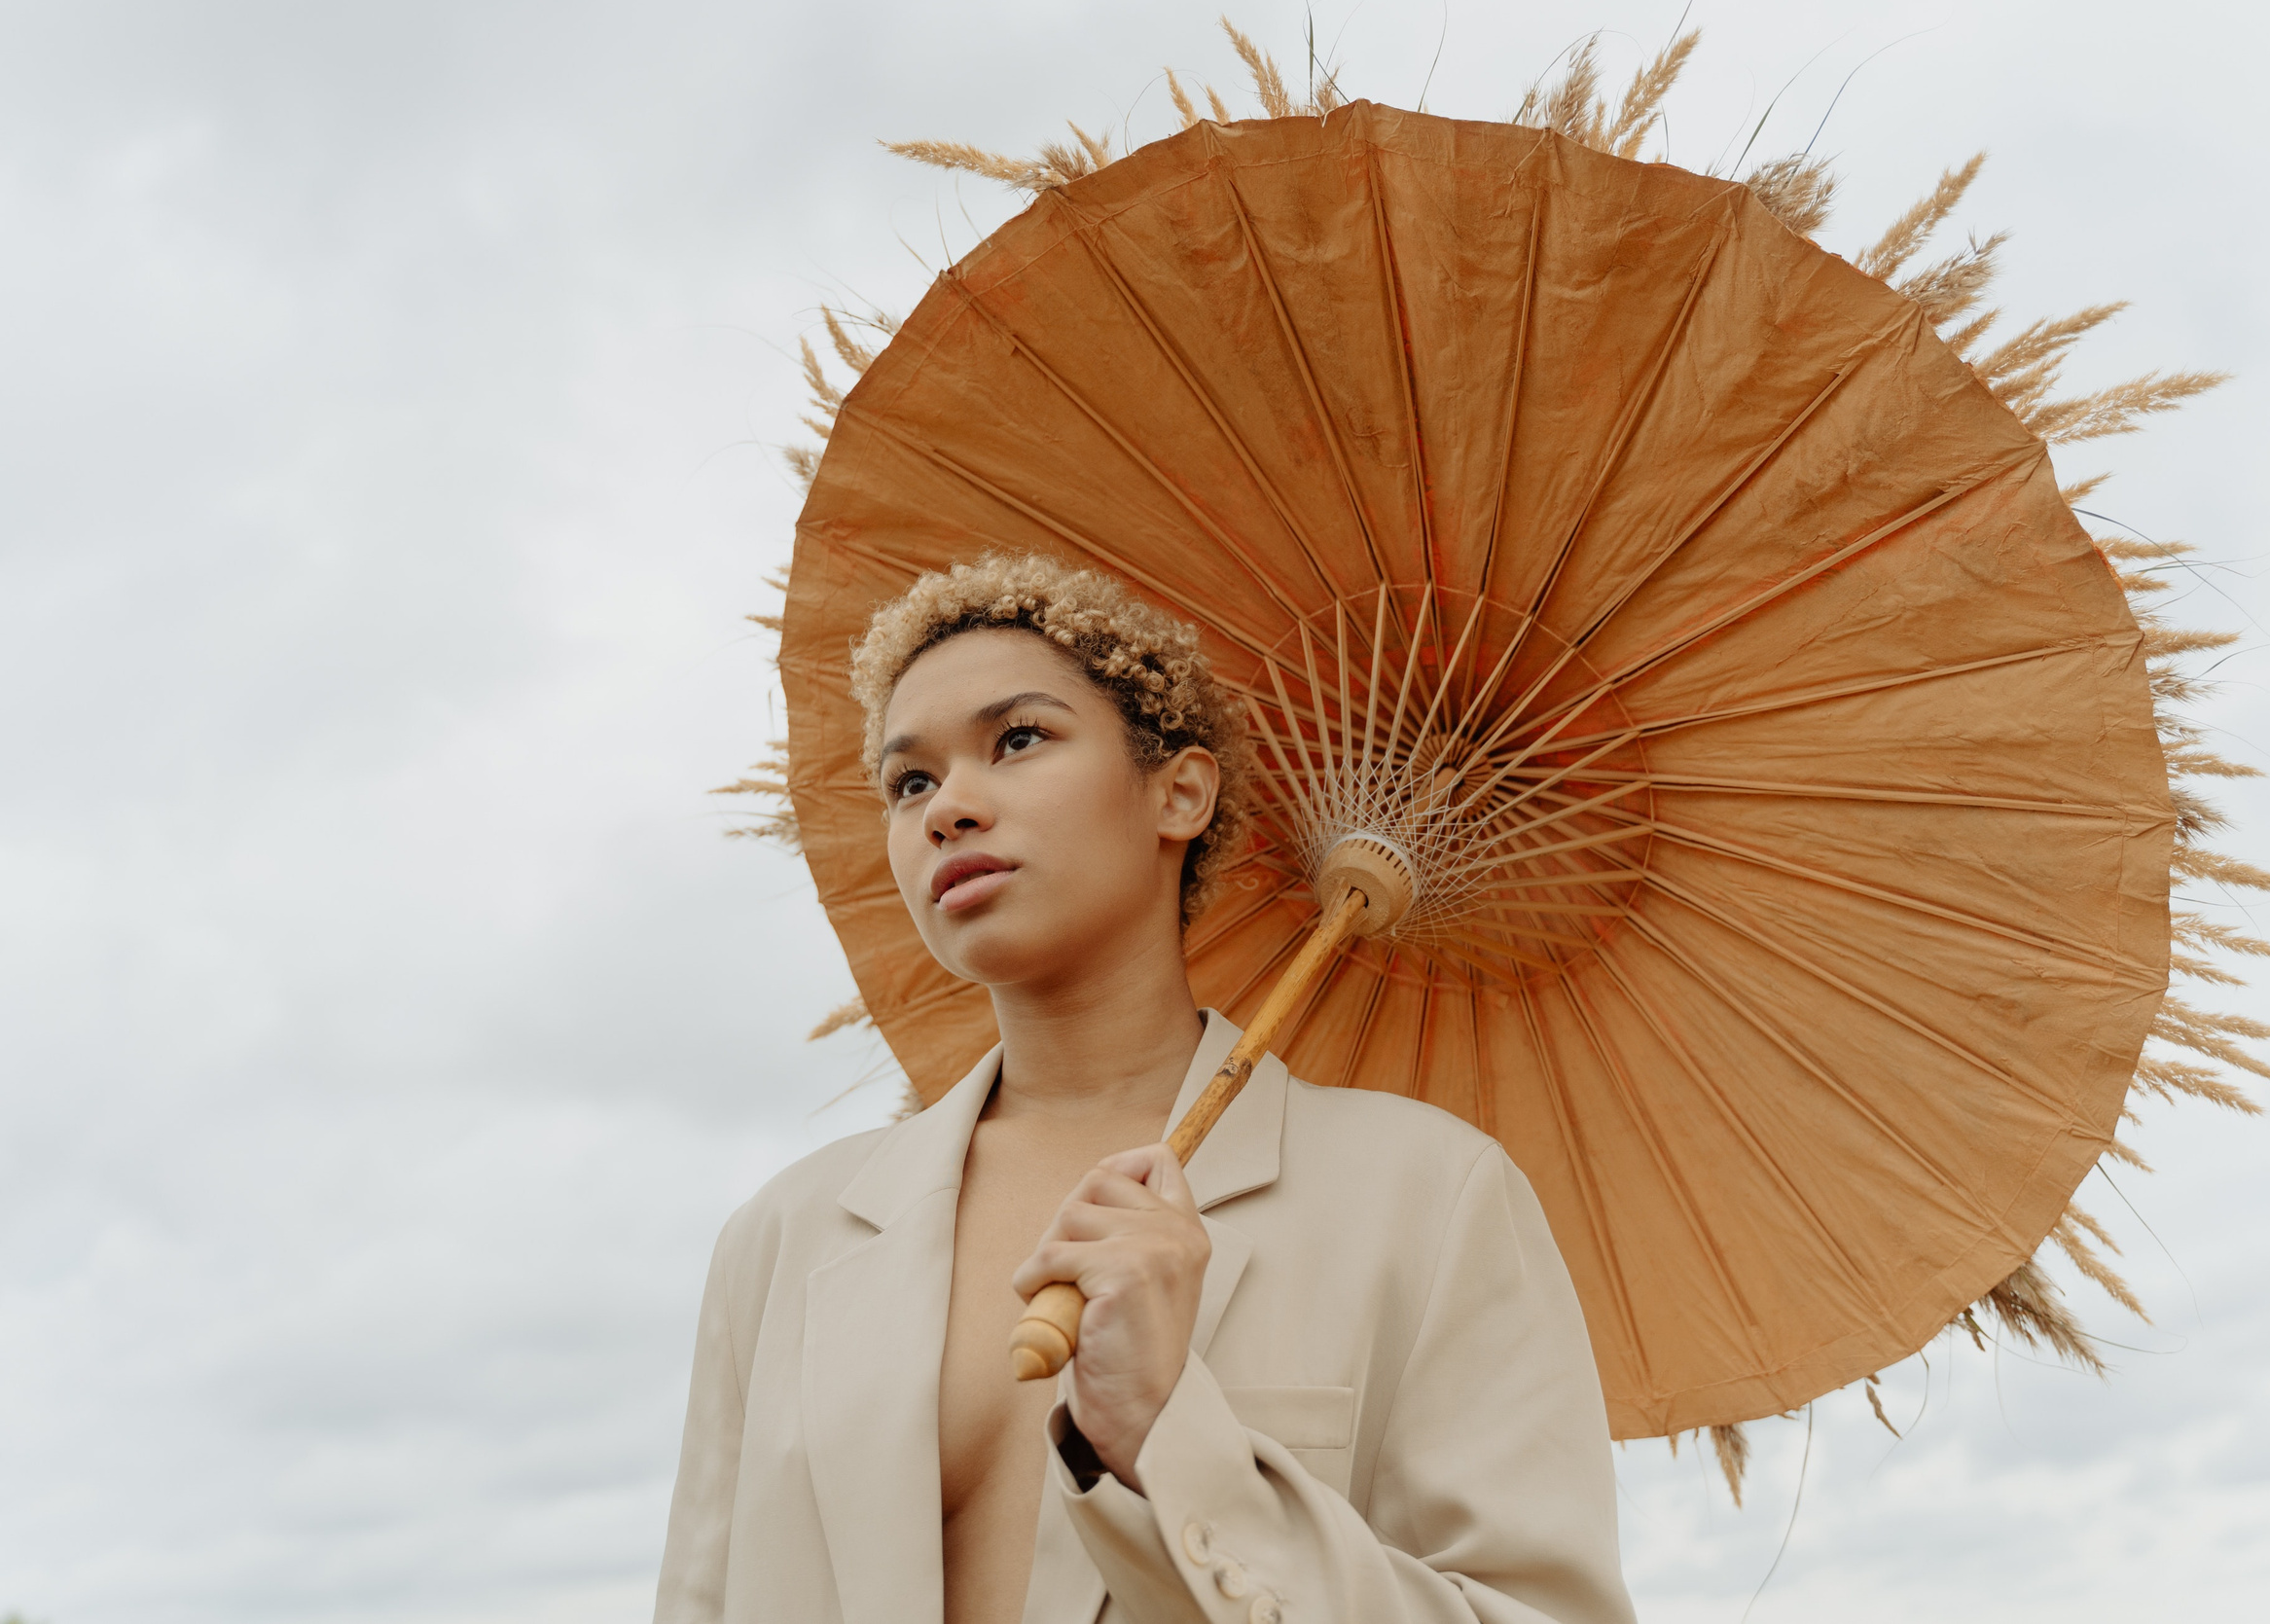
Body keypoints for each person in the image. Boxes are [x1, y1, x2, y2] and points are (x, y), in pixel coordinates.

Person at [655, 555, 1634, 1624]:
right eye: (910, 782)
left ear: (1179, 792)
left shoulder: (1430, 1198)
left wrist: (1175, 1436)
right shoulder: (786, 1239)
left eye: (1017, 740)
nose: (948, 810)